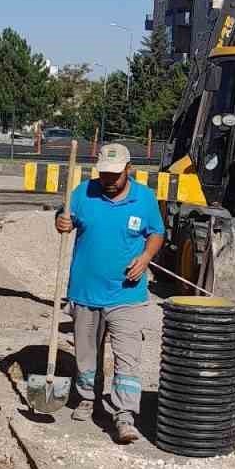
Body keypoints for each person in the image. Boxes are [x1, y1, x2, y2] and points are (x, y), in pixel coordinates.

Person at [55, 142, 165, 445]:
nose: (109, 180)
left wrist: (144, 260)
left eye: (115, 175)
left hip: (127, 295)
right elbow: (64, 218)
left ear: (129, 170)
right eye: (104, 174)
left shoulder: (144, 198)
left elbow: (157, 232)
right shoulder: (83, 193)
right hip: (85, 291)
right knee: (87, 353)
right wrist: (61, 222)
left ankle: (124, 415)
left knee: (127, 358)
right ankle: (89, 397)